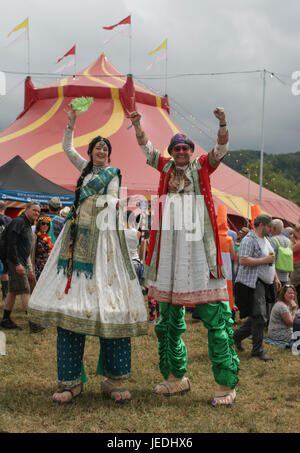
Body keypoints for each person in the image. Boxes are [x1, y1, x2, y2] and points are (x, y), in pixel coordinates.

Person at [28, 105, 148, 404]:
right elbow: (67, 148)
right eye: (97, 147)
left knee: (113, 308)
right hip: (75, 243)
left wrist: (89, 207)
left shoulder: (112, 175)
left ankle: (114, 380)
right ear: (91, 152)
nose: (101, 151)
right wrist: (70, 123)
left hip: (105, 244)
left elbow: (111, 201)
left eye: (105, 148)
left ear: (109, 154)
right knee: (71, 311)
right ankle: (69, 381)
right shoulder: (84, 169)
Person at [129, 107, 239, 407]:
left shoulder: (202, 166)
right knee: (167, 321)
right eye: (176, 148)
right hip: (169, 250)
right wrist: (138, 124)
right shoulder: (165, 168)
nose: (180, 152)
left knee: (216, 319)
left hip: (199, 249)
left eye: (184, 148)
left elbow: (222, 148)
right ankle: (175, 378)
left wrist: (222, 122)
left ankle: (226, 384)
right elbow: (145, 148)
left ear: (191, 151)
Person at [234, 214, 281, 361]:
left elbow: (271, 262)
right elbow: (243, 260)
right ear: (261, 225)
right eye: (269, 226)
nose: (271, 229)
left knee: (257, 317)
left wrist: (276, 278)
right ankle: (257, 351)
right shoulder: (249, 240)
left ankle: (234, 337)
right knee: (259, 317)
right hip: (252, 283)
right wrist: (264, 260)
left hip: (267, 283)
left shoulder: (269, 241)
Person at [0, 202, 41, 332]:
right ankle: (33, 324)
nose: (36, 213)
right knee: (25, 290)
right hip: (15, 261)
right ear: (27, 209)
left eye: (38, 211)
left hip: (19, 261)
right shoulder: (19, 222)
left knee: (13, 291)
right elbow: (11, 243)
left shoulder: (27, 223)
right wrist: (17, 263)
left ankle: (6, 320)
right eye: (34, 210)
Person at [31, 216, 54, 281]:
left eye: (47, 224)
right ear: (39, 225)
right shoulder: (35, 237)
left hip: (47, 266)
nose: (45, 226)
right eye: (43, 223)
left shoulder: (47, 238)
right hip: (38, 267)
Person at [0, 201, 12, 300]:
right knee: (5, 272)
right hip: (5, 248)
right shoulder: (9, 220)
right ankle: (5, 295)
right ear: (5, 209)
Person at [290, 225, 300, 304]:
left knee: (298, 289)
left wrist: (292, 242)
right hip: (296, 266)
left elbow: (291, 250)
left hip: (297, 267)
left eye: (295, 232)